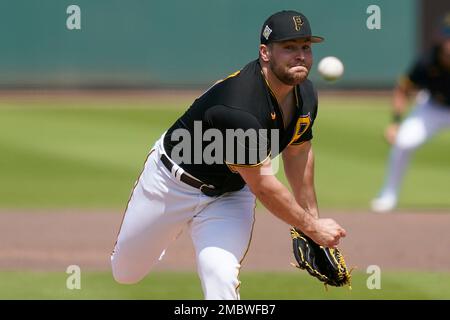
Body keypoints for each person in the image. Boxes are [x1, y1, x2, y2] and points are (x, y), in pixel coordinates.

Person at [111, 10, 346, 299]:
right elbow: (263, 186)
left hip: (230, 196)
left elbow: (298, 153)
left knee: (220, 274)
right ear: (265, 53)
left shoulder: (306, 94)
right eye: (289, 47)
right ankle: (162, 231)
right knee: (125, 273)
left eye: (305, 47)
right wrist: (312, 228)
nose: (300, 56)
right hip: (170, 185)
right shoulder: (239, 106)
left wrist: (312, 221)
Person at [371, 14, 450, 213]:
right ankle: (388, 195)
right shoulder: (427, 61)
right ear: (441, 38)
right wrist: (395, 123)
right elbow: (402, 89)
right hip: (433, 107)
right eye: (448, 36)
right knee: (403, 142)